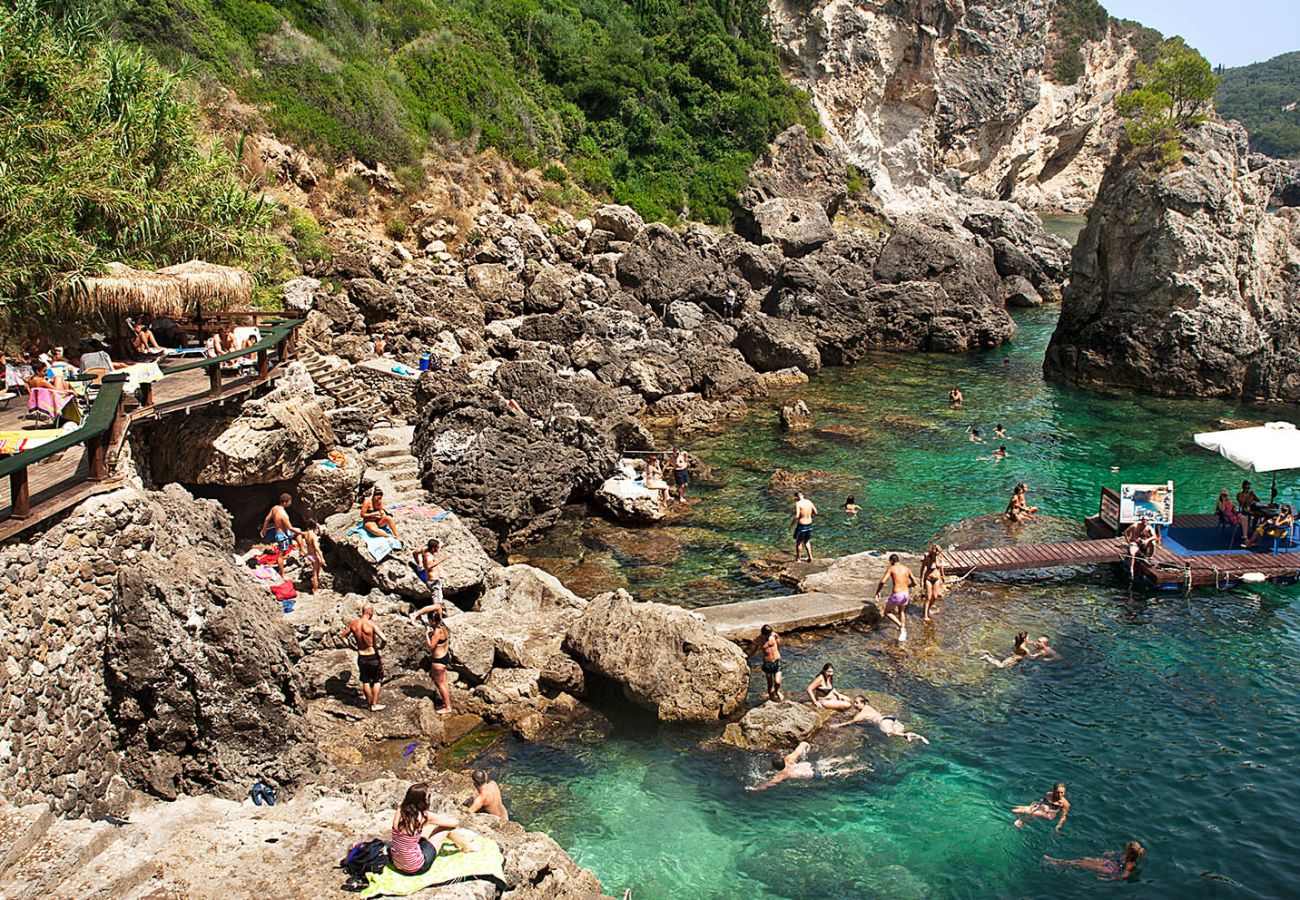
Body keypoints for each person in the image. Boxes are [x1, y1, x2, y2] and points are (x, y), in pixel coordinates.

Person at [388, 783, 472, 876]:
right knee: (447, 828)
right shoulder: (424, 816)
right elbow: (454, 823)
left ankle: (458, 842)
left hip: (397, 863)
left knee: (431, 826)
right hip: (416, 867)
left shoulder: (400, 809)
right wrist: (441, 818)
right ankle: (466, 847)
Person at [744, 742, 867, 791]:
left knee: (837, 772)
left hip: (811, 774)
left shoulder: (782, 774)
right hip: (808, 765)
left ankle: (858, 769)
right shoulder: (789, 759)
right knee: (830, 762)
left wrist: (755, 788)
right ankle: (849, 758)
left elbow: (769, 784)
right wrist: (807, 748)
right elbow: (802, 744)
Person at [341, 604, 386, 712]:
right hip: (372, 655)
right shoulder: (371, 624)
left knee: (365, 680)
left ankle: (368, 704)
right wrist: (380, 647)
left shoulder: (353, 624)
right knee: (377, 680)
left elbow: (342, 636)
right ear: (370, 612)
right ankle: (374, 704)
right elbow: (384, 639)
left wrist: (351, 646)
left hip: (361, 655)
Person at [411, 602, 452, 714]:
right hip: (445, 656)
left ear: (432, 620)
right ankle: (446, 703)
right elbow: (438, 606)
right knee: (444, 682)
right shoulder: (442, 625)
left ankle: (447, 707)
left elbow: (430, 647)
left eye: (429, 621)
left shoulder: (437, 632)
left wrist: (426, 635)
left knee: (440, 683)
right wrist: (419, 613)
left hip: (438, 660)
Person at [831, 697, 929, 743]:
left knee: (889, 733)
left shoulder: (861, 714)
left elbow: (850, 722)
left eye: (856, 703)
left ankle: (907, 735)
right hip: (889, 718)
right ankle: (919, 736)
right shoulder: (868, 708)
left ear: (863, 703)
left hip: (883, 722)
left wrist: (837, 726)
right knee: (896, 732)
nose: (854, 705)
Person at [1044, 841, 1146, 881]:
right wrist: (1111, 853)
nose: (1124, 848)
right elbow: (1118, 853)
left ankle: (1056, 862)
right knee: (1085, 859)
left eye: (1126, 848)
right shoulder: (1125, 853)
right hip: (1110, 863)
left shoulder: (1130, 864)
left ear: (1130, 852)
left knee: (1082, 864)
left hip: (1111, 870)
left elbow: (1124, 875)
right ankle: (1058, 862)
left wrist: (1108, 879)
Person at [874, 553, 916, 643]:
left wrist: (878, 592)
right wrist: (907, 586)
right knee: (901, 611)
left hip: (897, 594)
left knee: (887, 612)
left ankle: (901, 626)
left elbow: (883, 581)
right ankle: (903, 631)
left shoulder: (892, 568)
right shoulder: (906, 569)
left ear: (891, 561)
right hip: (905, 593)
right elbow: (915, 582)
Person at [260, 493, 300, 579]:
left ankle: (302, 551)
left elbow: (267, 519)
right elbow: (290, 528)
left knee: (295, 538)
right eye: (289, 502)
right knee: (281, 555)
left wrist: (263, 529)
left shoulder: (275, 508)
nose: (290, 503)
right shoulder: (283, 514)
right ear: (285, 502)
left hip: (279, 533)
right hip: (282, 535)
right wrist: (301, 532)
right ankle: (282, 574)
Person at [746, 625, 783, 701]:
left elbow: (778, 639)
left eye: (770, 634)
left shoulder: (773, 635)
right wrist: (747, 657)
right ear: (763, 634)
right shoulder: (758, 640)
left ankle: (777, 691)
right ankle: (771, 698)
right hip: (767, 664)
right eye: (768, 635)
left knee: (777, 682)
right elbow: (754, 650)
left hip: (777, 661)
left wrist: (778, 644)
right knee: (770, 684)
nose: (769, 636)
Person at [412, 538, 448, 604]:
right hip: (429, 578)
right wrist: (442, 559)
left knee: (437, 602)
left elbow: (415, 553)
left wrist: (419, 563)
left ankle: (437, 609)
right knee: (437, 602)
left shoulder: (424, 549)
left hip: (425, 572)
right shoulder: (429, 556)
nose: (439, 549)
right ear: (433, 548)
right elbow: (428, 566)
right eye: (437, 547)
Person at [919, 545, 945, 621]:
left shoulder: (939, 557)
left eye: (938, 553)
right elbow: (922, 569)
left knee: (935, 596)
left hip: (937, 578)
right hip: (928, 579)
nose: (936, 554)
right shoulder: (927, 558)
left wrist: (943, 575)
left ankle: (927, 608)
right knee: (928, 596)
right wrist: (921, 580)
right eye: (935, 553)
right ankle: (925, 615)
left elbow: (941, 567)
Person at [791, 492, 817, 562]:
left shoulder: (798, 503)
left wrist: (791, 524)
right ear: (802, 495)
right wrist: (808, 515)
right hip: (810, 524)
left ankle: (798, 559)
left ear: (796, 497)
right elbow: (816, 512)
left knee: (798, 542)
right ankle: (810, 557)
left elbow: (797, 515)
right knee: (807, 541)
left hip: (802, 526)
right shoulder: (809, 501)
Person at [300, 522, 325, 593]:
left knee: (316, 573)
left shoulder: (306, 534)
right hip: (315, 555)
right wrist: (322, 558)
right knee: (315, 574)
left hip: (310, 555)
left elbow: (298, 532)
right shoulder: (313, 536)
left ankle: (316, 586)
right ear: (314, 527)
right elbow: (316, 548)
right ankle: (315, 590)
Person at [1237, 480, 1261, 544]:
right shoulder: (1239, 494)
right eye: (1246, 488)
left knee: (1258, 514)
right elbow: (1242, 503)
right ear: (1243, 487)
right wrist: (1250, 497)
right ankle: (1247, 533)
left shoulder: (1251, 494)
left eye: (1248, 488)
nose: (1247, 489)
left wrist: (1254, 495)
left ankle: (1254, 528)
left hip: (1250, 510)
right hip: (1244, 510)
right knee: (1250, 514)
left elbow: (1258, 501)